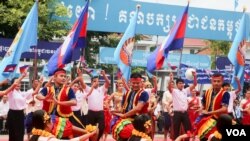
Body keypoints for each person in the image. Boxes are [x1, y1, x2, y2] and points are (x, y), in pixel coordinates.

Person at [36, 68, 83, 139]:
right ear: (54, 77)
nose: (64, 78)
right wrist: (44, 98)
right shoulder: (48, 88)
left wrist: (58, 102)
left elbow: (74, 102)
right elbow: (38, 96)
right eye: (61, 76)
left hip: (65, 119)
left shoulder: (68, 89)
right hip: (49, 119)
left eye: (65, 76)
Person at [112, 73, 150, 140]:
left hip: (140, 122)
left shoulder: (144, 93)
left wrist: (124, 115)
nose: (135, 85)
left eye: (137, 83)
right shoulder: (127, 93)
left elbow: (138, 108)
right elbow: (123, 109)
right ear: (130, 82)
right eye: (133, 83)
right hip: (127, 121)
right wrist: (113, 111)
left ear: (141, 82)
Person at [5, 72, 42, 141]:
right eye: (17, 82)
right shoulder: (11, 91)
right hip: (12, 114)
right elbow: (14, 84)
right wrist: (22, 77)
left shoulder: (22, 93)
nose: (18, 84)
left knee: (20, 132)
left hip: (21, 114)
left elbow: (35, 92)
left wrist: (40, 83)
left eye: (20, 83)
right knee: (13, 133)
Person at [195, 73, 230, 141]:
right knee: (202, 136)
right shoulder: (207, 91)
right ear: (211, 82)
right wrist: (200, 109)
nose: (216, 83)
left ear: (222, 82)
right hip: (206, 118)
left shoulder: (225, 93)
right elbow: (204, 105)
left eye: (218, 81)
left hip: (219, 120)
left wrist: (210, 112)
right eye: (214, 81)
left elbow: (224, 109)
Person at [79, 68, 110, 141]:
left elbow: (108, 82)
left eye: (97, 81)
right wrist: (80, 74)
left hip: (100, 112)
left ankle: (97, 139)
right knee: (90, 129)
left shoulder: (102, 89)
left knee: (101, 128)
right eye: (94, 81)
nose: (96, 82)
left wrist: (104, 75)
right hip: (91, 113)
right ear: (91, 82)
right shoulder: (88, 88)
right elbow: (82, 82)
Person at [30, 109, 97, 141]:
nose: (53, 123)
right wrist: (90, 134)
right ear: (47, 124)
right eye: (51, 122)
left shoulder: (34, 137)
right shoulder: (47, 139)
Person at [168, 71, 197, 140]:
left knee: (188, 130)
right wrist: (171, 78)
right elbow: (169, 87)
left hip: (185, 113)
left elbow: (195, 84)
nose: (182, 84)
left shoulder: (186, 90)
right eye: (180, 83)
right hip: (177, 113)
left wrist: (195, 76)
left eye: (182, 83)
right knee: (176, 130)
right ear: (177, 84)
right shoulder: (174, 91)